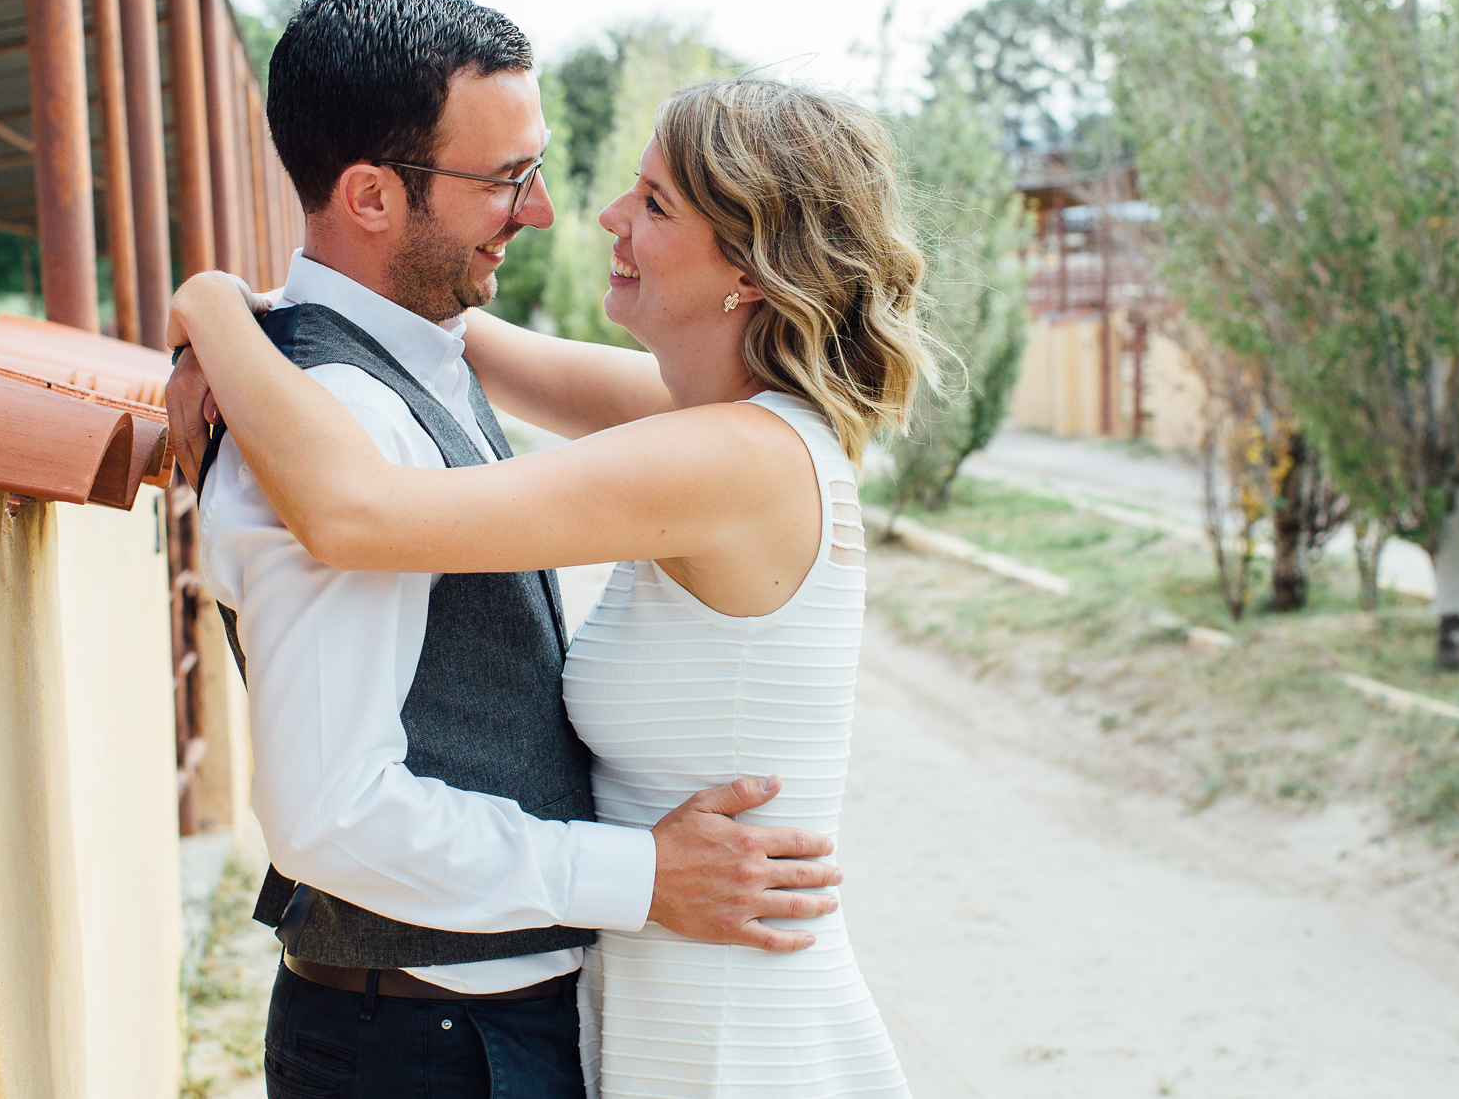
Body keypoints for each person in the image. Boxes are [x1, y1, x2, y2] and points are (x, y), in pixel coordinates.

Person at [171, 57, 932, 1096]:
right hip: (662, 985)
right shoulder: (713, 420)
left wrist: (208, 306)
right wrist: (283, 319)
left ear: (745, 269)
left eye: (654, 202)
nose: (604, 214)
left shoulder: (729, 458)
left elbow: (357, 512)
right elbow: (431, 326)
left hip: (725, 1023)